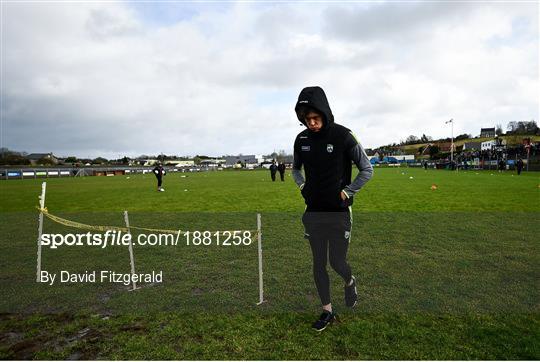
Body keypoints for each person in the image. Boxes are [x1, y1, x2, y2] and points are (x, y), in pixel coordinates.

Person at [292, 86, 373, 331]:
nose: (312, 124)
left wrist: (347, 191)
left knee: (337, 262)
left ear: (325, 113)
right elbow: (295, 169)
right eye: (307, 120)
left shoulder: (344, 136)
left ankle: (350, 281)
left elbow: (367, 169)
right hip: (314, 213)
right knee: (318, 264)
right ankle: (327, 310)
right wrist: (302, 185)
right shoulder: (301, 140)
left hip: (338, 212)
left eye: (316, 118)